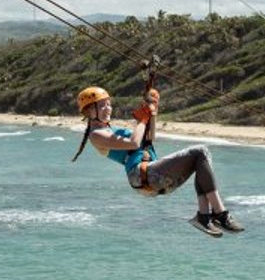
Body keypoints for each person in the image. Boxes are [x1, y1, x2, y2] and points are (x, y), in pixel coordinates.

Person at [73, 84, 244, 237]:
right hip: (142, 175)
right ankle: (220, 214)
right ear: (89, 111)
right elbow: (134, 142)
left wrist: (152, 112)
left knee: (201, 160)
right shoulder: (96, 135)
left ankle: (204, 216)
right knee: (200, 151)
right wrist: (142, 119)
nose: (108, 108)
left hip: (151, 175)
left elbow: (149, 137)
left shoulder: (112, 129)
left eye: (109, 104)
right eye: (103, 105)